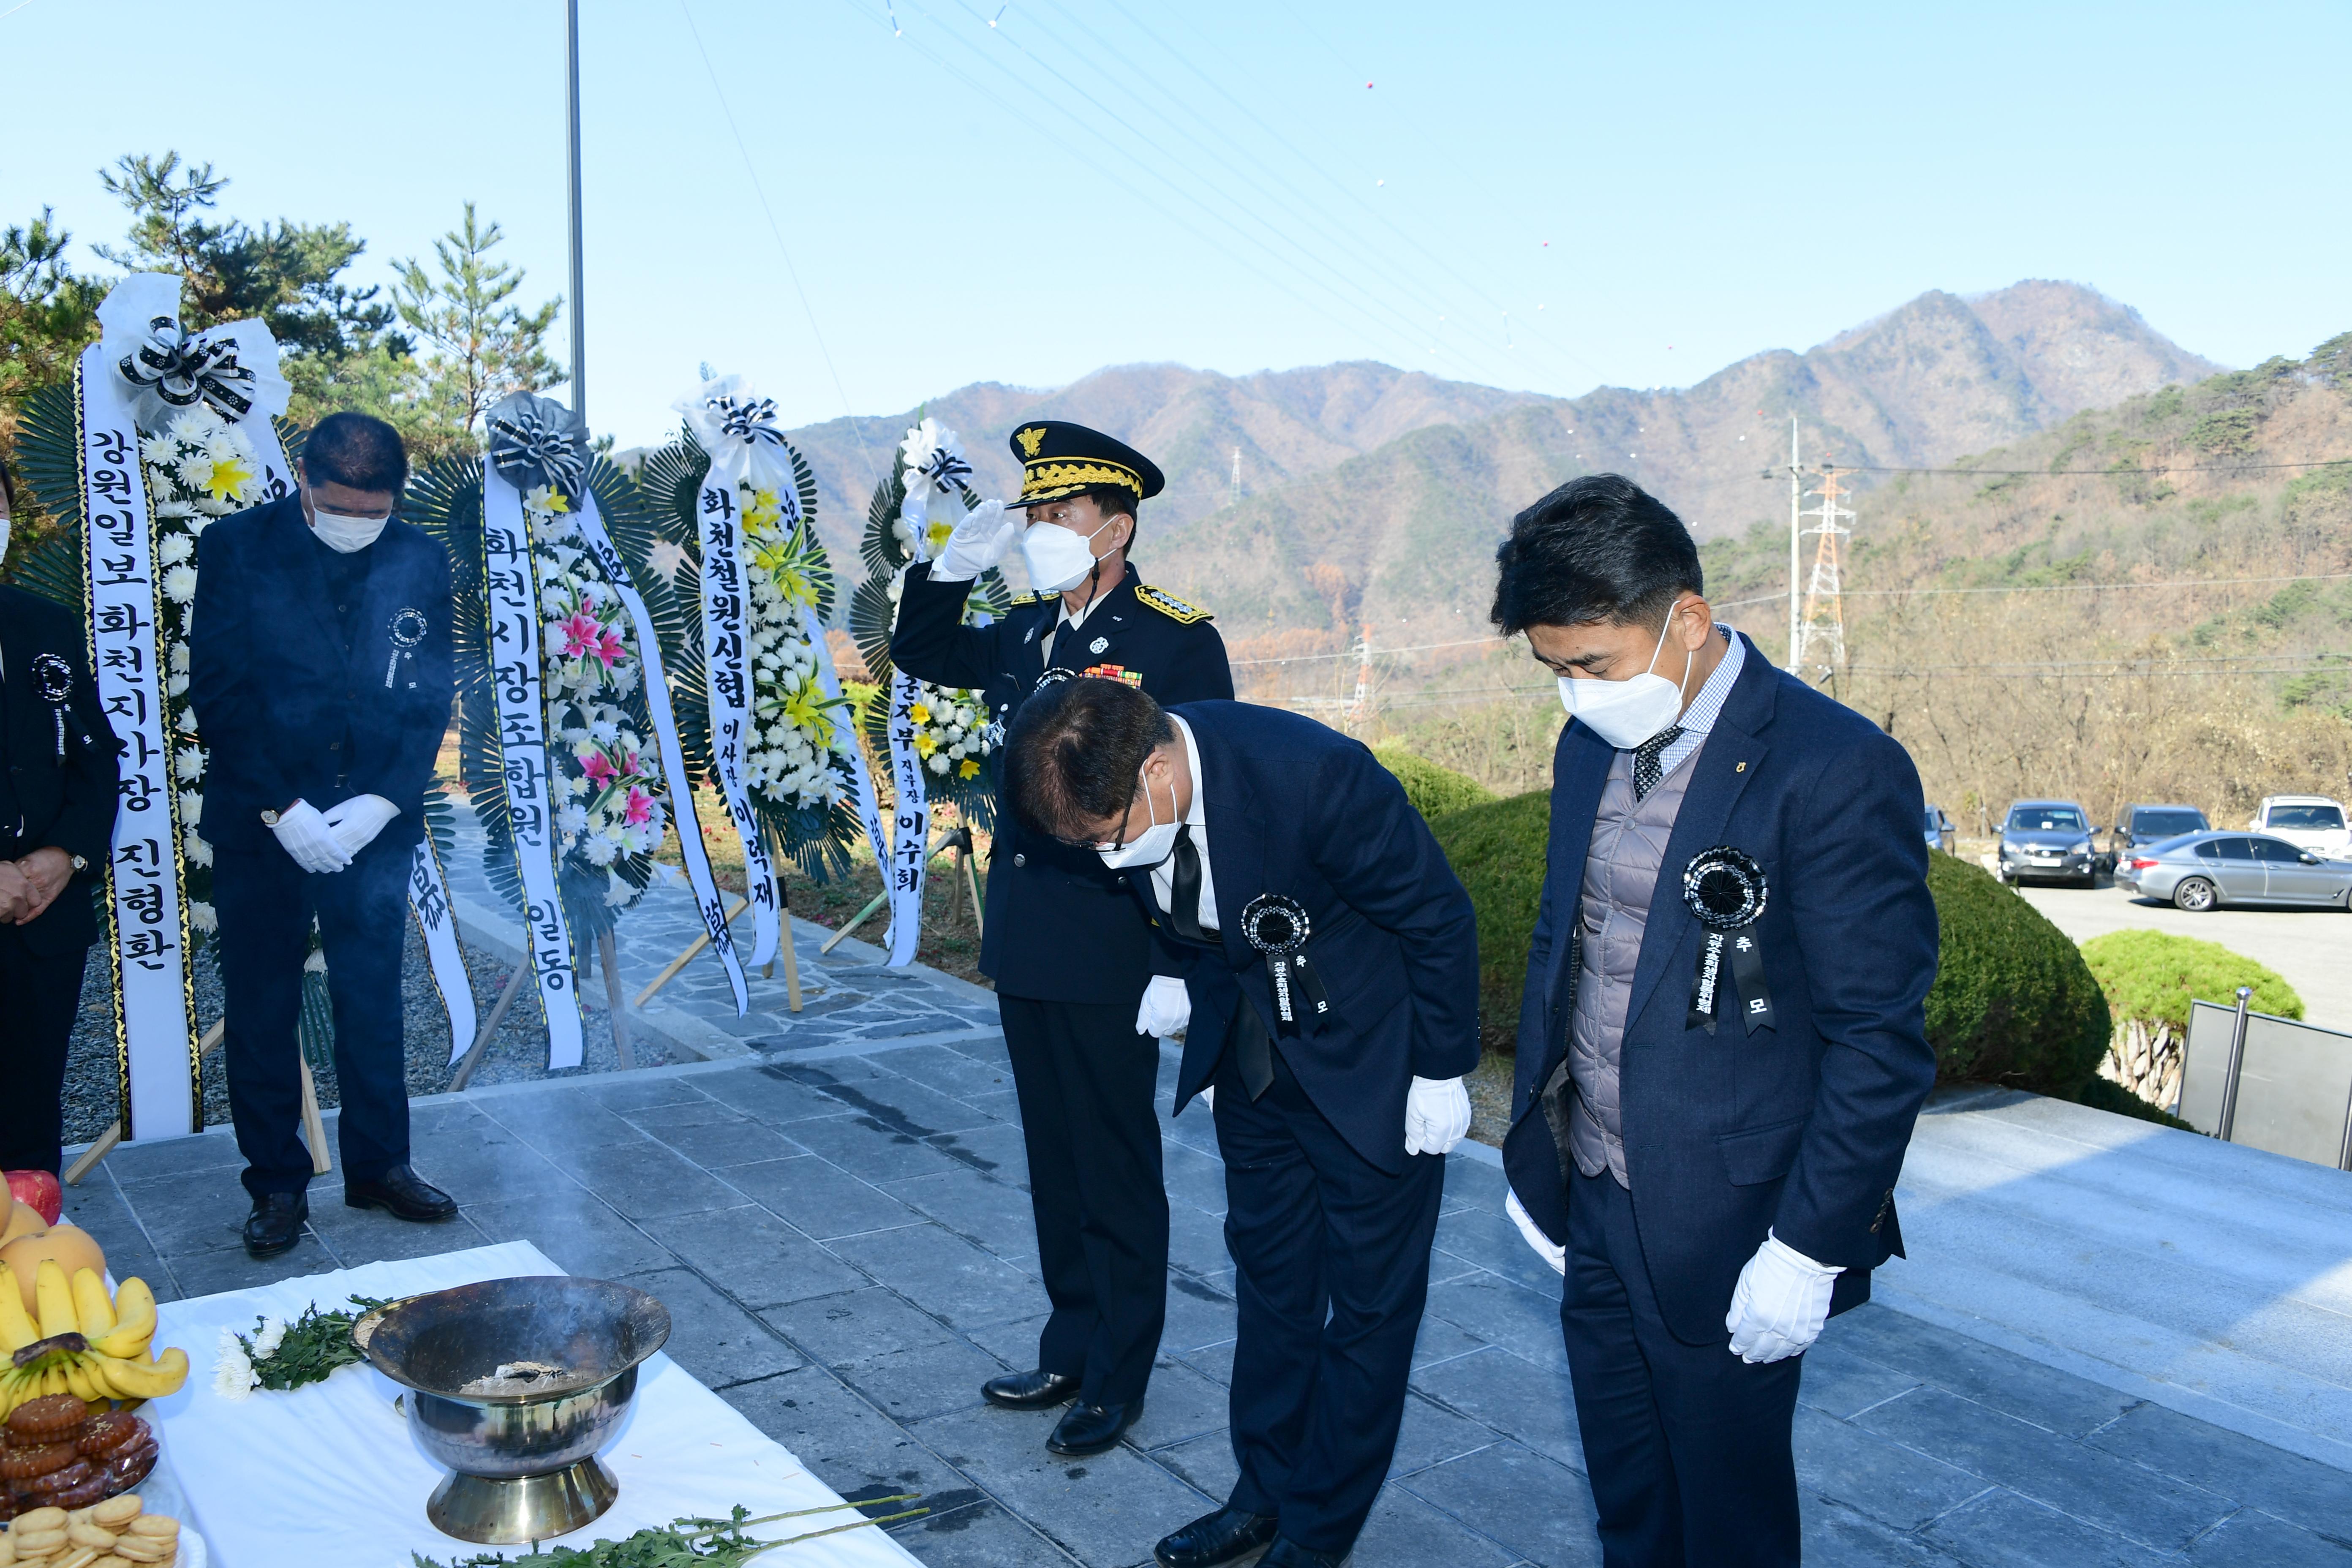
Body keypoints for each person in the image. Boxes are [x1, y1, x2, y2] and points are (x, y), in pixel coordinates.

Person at [1492, 475, 1939, 1567]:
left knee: (1729, 1513)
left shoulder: (1832, 767)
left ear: (1685, 620)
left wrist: (1807, 1247)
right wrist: (1542, 1147)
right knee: (1629, 1488)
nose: (1577, 694)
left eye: (1592, 664)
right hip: (1596, 1191)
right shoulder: (1589, 744)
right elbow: (1577, 945)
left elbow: (1878, 1040)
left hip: (1734, 1221)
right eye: (1554, 671)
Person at [1002, 678, 1479, 1568]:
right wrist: (1176, 963)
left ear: (1158, 767)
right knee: (1271, 1290)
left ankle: (1318, 1528)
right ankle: (1261, 1492)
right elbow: (1188, 887)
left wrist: (1444, 1067)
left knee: (1369, 1311)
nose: (1109, 860)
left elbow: (1438, 915)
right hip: (1254, 1063)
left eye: (1110, 834)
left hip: (1374, 1068)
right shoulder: (1133, 788)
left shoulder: (1316, 776)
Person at [891, 421, 1233, 1456]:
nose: (1039, 525)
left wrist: (1181, 960)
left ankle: (1119, 1373)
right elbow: (921, 650)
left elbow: (1204, 806)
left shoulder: (1177, 638)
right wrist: (944, 571)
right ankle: (1070, 1341)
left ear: (1116, 526)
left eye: (1059, 511)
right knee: (1055, 1157)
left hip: (1117, 944)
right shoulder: (1028, 629)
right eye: (1032, 509)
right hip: (1032, 935)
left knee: (1116, 1161)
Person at [189, 412, 457, 1259]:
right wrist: (283, 808)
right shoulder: (238, 547)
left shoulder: (421, 556)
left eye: (372, 510)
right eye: (340, 505)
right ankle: (276, 1184)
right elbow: (220, 691)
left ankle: (381, 1163)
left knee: (373, 997)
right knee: (263, 1005)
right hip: (264, 819)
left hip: (371, 818)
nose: (356, 523)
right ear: (303, 482)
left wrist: (386, 797)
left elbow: (430, 692)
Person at [0, 463, 124, 1179]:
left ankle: (32, 1258)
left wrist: (66, 856)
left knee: (28, 1110)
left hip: (44, 919)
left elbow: (96, 758)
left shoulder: (43, 625)